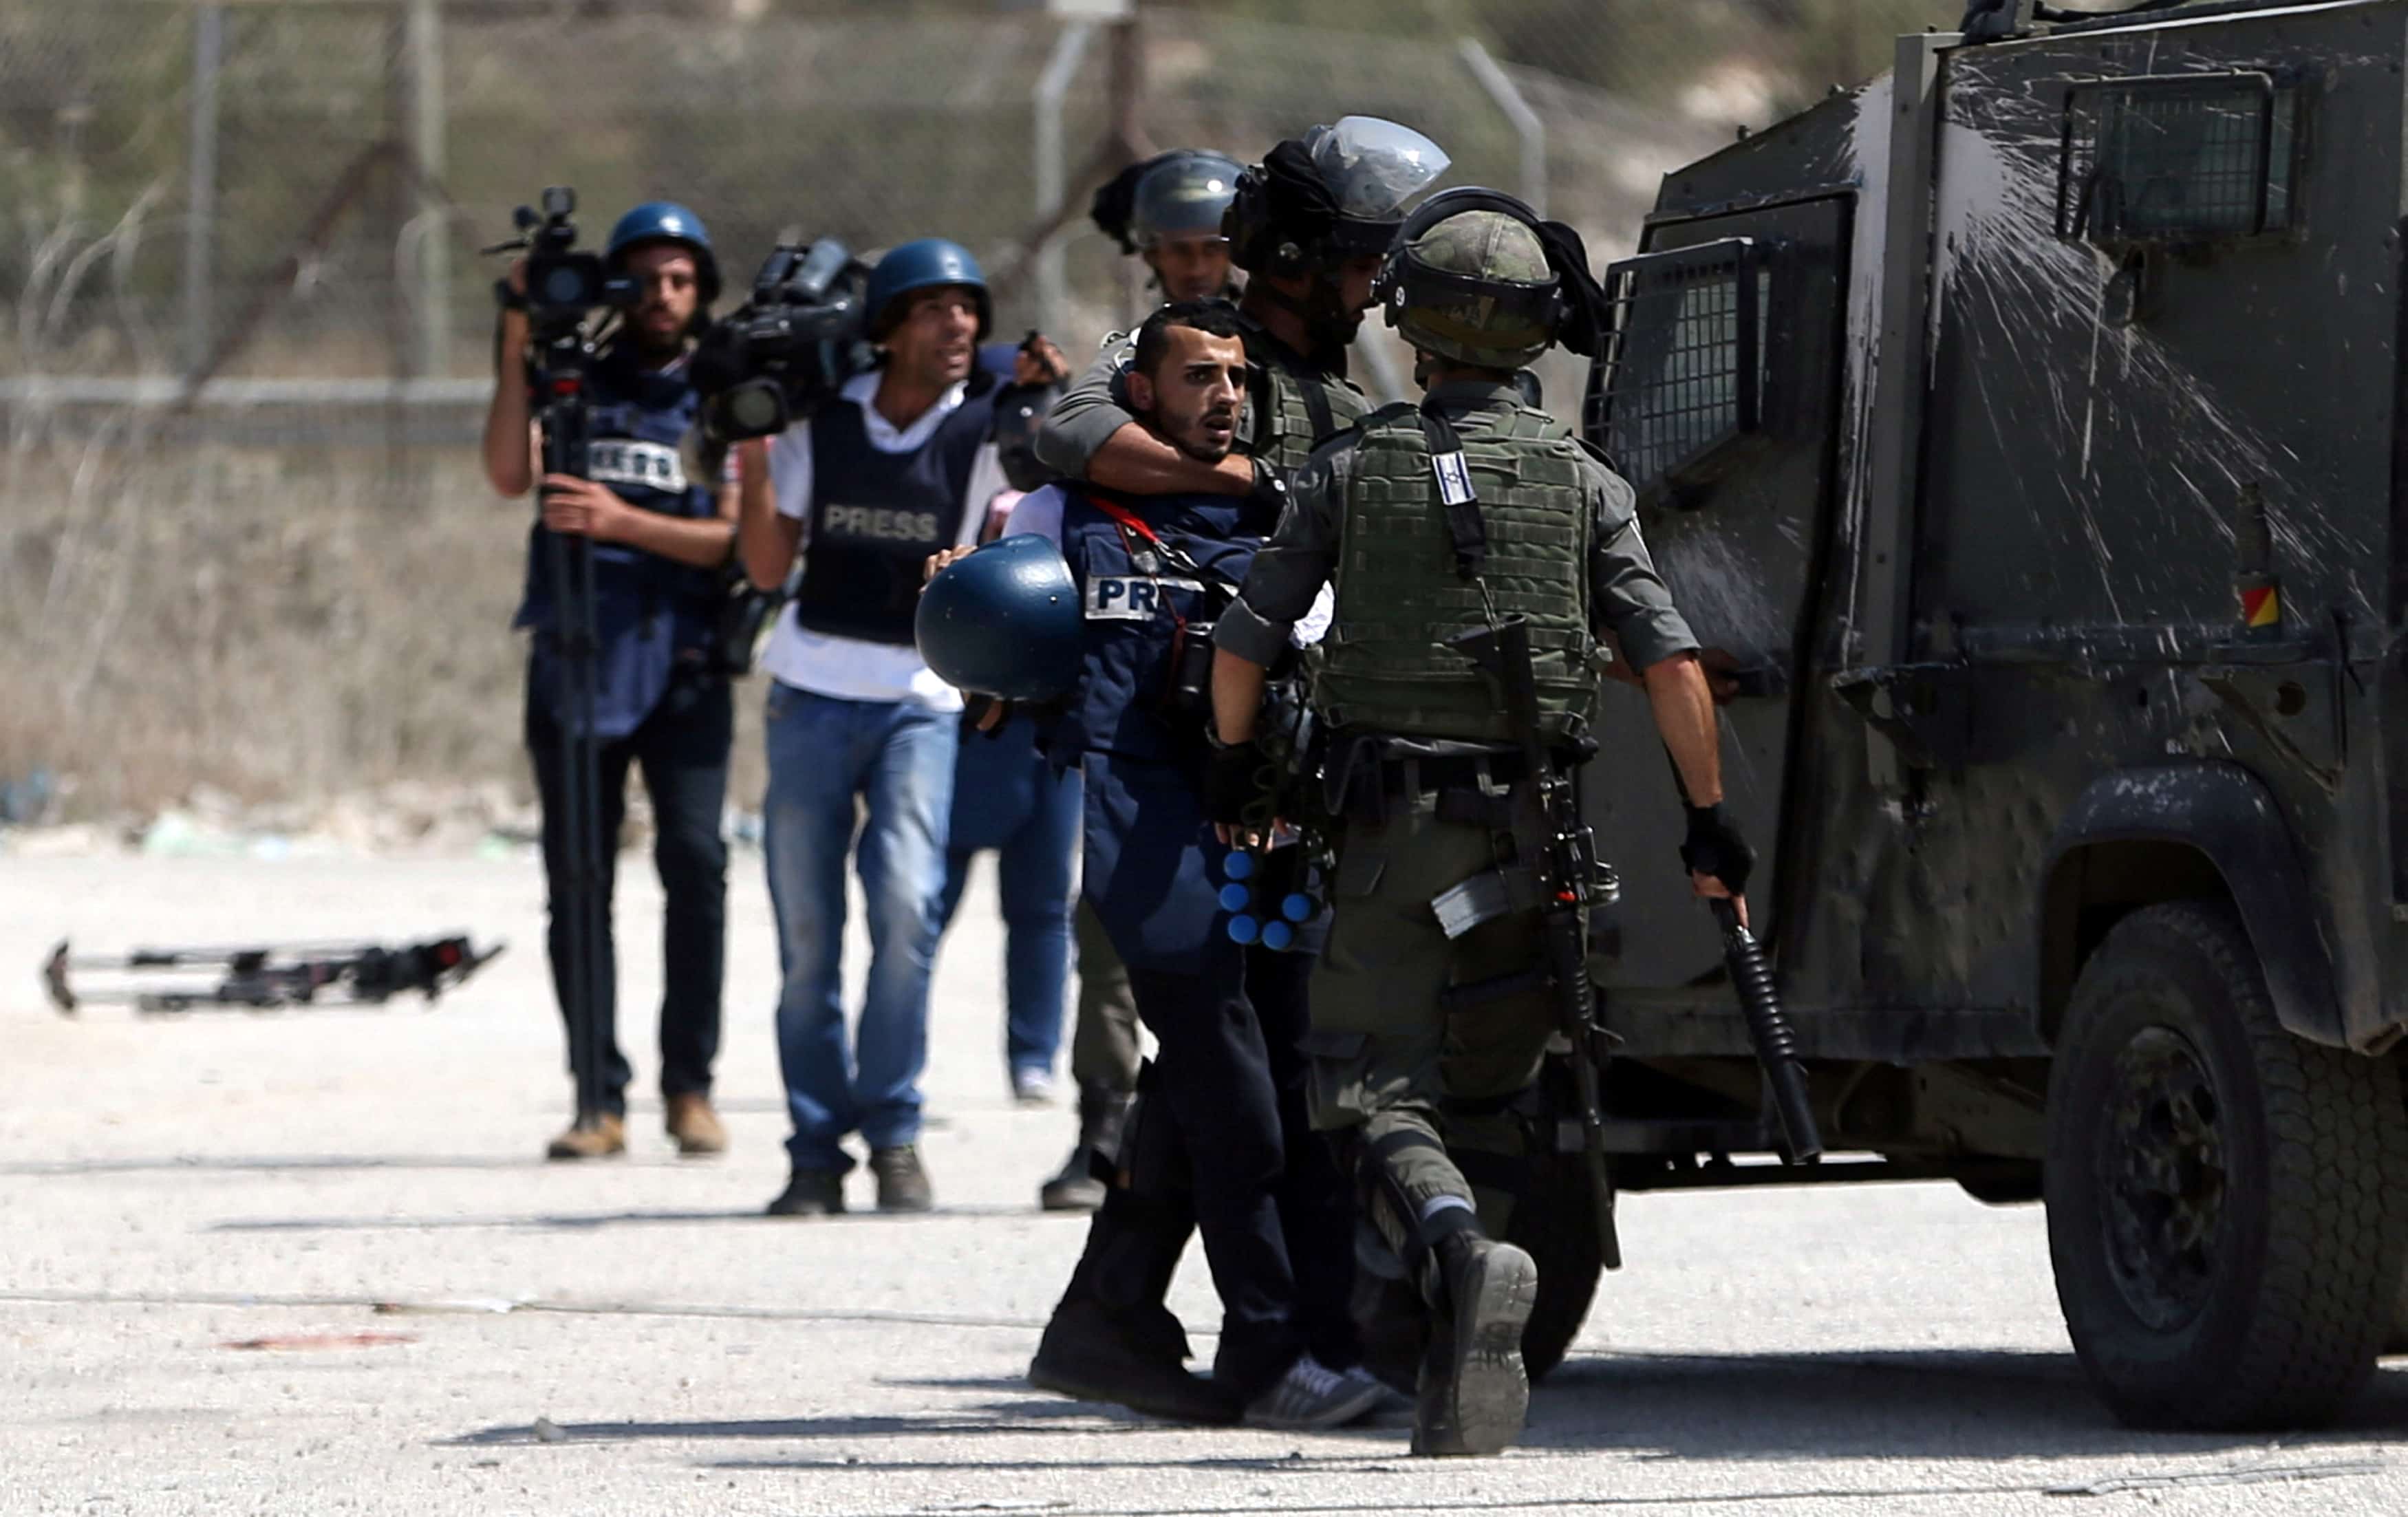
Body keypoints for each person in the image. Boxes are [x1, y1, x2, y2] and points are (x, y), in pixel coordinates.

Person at [1206, 194, 1755, 1456]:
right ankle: (1465, 1344)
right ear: (1534, 334)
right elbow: (1671, 667)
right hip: (1536, 837)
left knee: (1372, 1090)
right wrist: (1709, 828)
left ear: (1411, 317)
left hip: (1391, 835)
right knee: (1497, 1091)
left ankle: (1454, 1246)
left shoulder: (1352, 467)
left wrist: (1236, 776)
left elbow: (1246, 646)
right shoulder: (1584, 480)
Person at [1016, 112, 1450, 1400]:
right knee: (1233, 1080)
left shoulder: (1356, 391)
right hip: (1168, 779)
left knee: (1233, 1075)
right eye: (1376, 256)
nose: (1390, 282)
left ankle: (1112, 1324)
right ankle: (1273, 1347)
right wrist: (1244, 488)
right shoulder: (1202, 359)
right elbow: (1071, 438)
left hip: (1281, 791)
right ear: (1311, 255)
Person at [927, 302, 1386, 1430]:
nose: (1224, 395)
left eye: (1235, 377)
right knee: (1237, 1110)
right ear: (1143, 394)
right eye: (1198, 378)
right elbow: (986, 648)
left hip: (1273, 848)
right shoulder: (1059, 513)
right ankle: (1266, 1360)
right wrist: (962, 599)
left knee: (1294, 1092)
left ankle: (1295, 1341)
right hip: (1156, 855)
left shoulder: (1291, 522)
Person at [740, 239, 1050, 1217]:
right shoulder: (821, 426)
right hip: (809, 689)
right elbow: (761, 568)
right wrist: (748, 447)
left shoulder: (990, 431)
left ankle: (896, 1130)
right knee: (805, 935)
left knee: (909, 913)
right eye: (931, 309)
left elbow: (1013, 527)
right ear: (885, 329)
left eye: (967, 307)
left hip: (918, 700)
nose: (958, 324)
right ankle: (813, 1148)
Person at [480, 200, 758, 1162]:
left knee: (696, 868)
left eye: (681, 280)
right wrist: (516, 329)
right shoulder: (575, 382)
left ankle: (692, 1087)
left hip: (683, 660)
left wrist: (620, 521)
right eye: (644, 278)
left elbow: (740, 538)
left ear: (702, 291)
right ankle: (597, 1098)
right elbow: (510, 473)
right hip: (575, 656)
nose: (663, 296)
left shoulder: (726, 390)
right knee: (578, 883)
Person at [1032, 144, 1251, 1214]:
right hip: (1153, 664)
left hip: (1265, 669)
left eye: (1215, 246)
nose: (1198, 267)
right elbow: (1070, 434)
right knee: (1114, 923)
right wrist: (1238, 478)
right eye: (1177, 250)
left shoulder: (1287, 351)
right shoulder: (1133, 355)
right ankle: (1106, 1122)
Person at [1090, 148, 1246, 304]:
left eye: (1212, 249)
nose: (1197, 270)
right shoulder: (1141, 329)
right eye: (1180, 251)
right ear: (1152, 255)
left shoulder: (1265, 326)